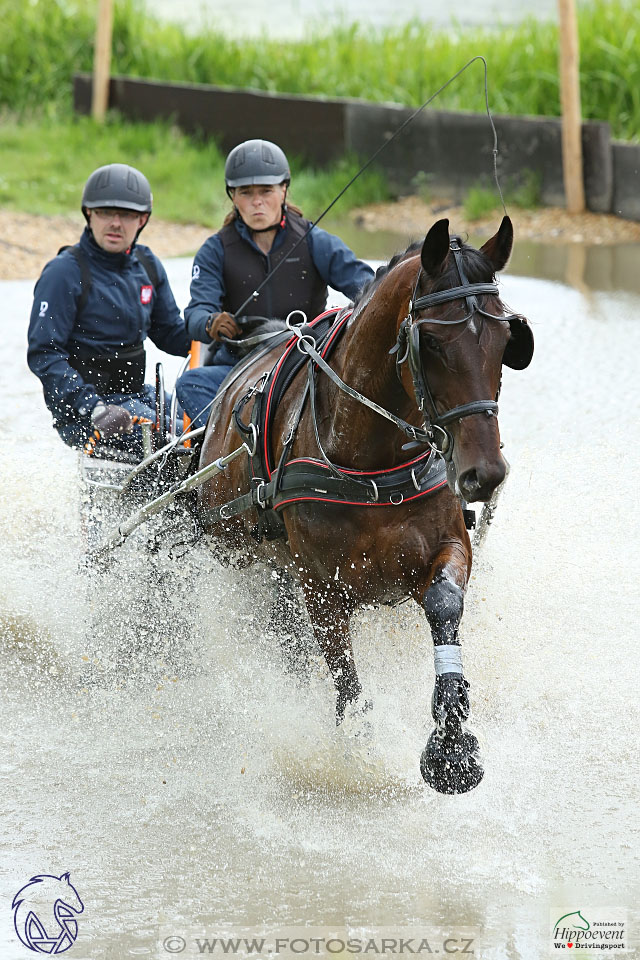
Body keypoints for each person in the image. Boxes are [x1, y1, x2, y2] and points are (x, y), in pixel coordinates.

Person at [175, 139, 375, 428]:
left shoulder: (316, 241)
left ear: (283, 190)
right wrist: (210, 322)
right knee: (191, 384)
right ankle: (237, 456)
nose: (257, 202)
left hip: (304, 363)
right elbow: (194, 315)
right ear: (233, 196)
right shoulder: (215, 250)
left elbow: (367, 286)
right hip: (238, 366)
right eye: (246, 193)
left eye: (266, 191)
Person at [27, 162, 189, 457]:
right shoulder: (63, 273)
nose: (116, 223)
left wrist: (217, 332)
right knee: (184, 440)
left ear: (142, 219)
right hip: (87, 413)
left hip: (137, 395)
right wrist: (95, 409)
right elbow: (44, 354)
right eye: (105, 212)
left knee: (212, 421)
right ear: (89, 213)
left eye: (126, 215)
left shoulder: (148, 265)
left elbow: (171, 334)